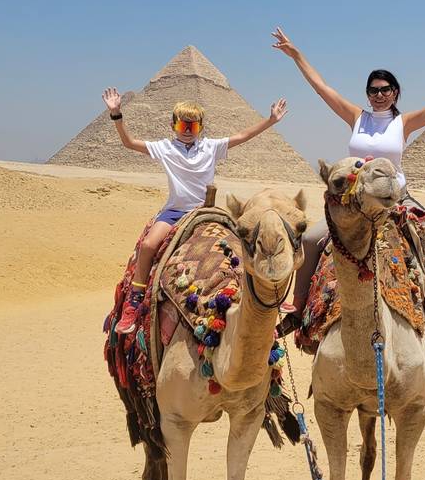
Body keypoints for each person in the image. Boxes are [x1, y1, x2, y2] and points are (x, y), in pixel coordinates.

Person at [271, 27, 425, 349]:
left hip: (395, 198)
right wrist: (297, 55)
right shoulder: (356, 117)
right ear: (367, 93)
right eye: (373, 90)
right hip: (355, 199)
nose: (379, 94)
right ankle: (297, 308)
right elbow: (321, 87)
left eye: (385, 89)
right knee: (311, 240)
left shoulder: (404, 123)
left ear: (396, 92)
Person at [102, 86, 288, 334]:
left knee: (243, 244)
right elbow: (129, 143)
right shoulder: (165, 148)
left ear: (201, 127)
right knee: (148, 246)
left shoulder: (210, 147)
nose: (188, 132)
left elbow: (243, 135)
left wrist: (271, 120)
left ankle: (268, 292)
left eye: (193, 127)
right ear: (173, 125)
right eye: (183, 126)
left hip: (206, 211)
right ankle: (134, 303)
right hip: (175, 212)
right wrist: (117, 114)